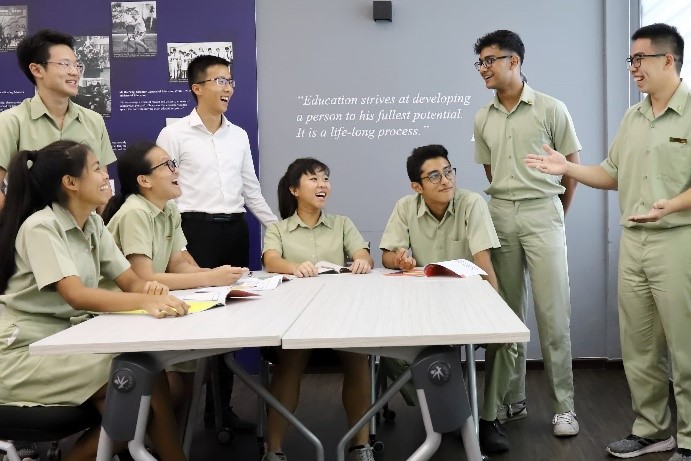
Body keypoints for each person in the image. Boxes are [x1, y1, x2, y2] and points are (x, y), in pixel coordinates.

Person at [526, 23, 690, 461]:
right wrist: (567, 168)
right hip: (633, 242)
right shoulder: (632, 117)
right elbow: (611, 173)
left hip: (678, 241)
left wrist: (672, 205)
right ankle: (652, 430)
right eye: (630, 59)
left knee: (686, 346)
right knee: (639, 346)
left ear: (668, 60)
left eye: (640, 58)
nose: (633, 67)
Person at [0, 140, 189, 461]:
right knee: (139, 381)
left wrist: (153, 292)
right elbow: (75, 295)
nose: (105, 176)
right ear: (70, 182)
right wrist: (143, 302)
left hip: (66, 343)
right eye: (97, 169)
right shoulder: (41, 227)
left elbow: (130, 280)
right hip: (22, 354)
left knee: (135, 404)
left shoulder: (93, 224)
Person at [157, 54, 278, 432]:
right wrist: (175, 241)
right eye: (220, 81)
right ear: (197, 88)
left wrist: (279, 232)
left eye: (230, 81)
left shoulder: (238, 135)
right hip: (193, 232)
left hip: (235, 231)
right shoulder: (174, 134)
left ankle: (220, 411)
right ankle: (179, 416)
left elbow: (251, 191)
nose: (228, 88)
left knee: (231, 320)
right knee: (195, 321)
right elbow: (165, 193)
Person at [473, 29, 581, 440]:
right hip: (500, 214)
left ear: (514, 61)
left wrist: (555, 213)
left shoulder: (552, 108)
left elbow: (571, 168)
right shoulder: (482, 117)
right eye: (480, 62)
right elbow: (491, 172)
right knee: (507, 314)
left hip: (543, 212)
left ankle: (564, 408)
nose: (483, 68)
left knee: (554, 315)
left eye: (489, 60)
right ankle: (512, 399)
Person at [379, 143, 517, 453]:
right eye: (434, 176)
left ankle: (488, 418)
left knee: (505, 342)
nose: (446, 180)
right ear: (417, 186)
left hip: (467, 304)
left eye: (448, 171)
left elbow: (484, 262)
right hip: (422, 307)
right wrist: (398, 260)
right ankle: (444, 408)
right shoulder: (405, 207)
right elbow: (387, 255)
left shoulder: (472, 204)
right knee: (389, 354)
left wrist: (496, 311)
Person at [101, 141, 248, 411]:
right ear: (144, 180)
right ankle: (154, 427)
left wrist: (221, 277)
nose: (175, 170)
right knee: (175, 387)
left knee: (196, 370)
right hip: (123, 314)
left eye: (174, 163)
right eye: (167, 165)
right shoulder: (135, 212)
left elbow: (179, 263)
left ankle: (166, 427)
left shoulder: (168, 209)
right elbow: (144, 279)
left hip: (151, 307)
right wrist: (210, 278)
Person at [261, 157, 375, 461]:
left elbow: (363, 253)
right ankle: (273, 450)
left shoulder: (342, 224)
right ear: (294, 189)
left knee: (359, 359)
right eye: (313, 179)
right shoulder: (279, 229)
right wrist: (294, 267)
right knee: (289, 363)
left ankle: (361, 446)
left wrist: (362, 260)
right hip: (296, 318)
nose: (322, 184)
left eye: (325, 178)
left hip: (340, 315)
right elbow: (270, 260)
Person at [0, 29, 116, 211]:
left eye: (77, 65)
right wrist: (15, 221)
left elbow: (102, 184)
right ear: (37, 70)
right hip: (33, 226)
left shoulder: (94, 121)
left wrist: (103, 224)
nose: (74, 72)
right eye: (65, 64)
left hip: (86, 227)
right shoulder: (10, 122)